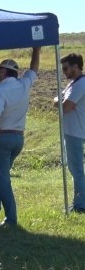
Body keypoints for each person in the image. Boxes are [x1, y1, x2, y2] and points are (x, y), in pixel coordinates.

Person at [0, 47, 41, 228]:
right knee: (0, 176)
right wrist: (36, 50)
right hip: (18, 139)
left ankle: (11, 219)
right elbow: (34, 69)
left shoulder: (0, 90)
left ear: (3, 72)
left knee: (2, 178)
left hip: (1, 138)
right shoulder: (24, 84)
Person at [54, 53, 85, 214]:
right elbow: (60, 101)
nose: (64, 72)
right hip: (73, 131)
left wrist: (58, 101)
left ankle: (80, 205)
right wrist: (59, 101)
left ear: (75, 66)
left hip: (76, 132)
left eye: (66, 68)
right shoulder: (73, 84)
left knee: (76, 169)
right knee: (75, 168)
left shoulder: (80, 84)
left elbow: (65, 107)